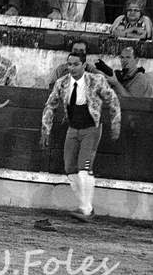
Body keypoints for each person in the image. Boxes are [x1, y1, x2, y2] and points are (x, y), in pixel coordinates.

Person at [40, 51, 121, 221]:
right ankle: (86, 206)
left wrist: (116, 123)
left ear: (84, 65)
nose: (72, 68)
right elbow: (50, 105)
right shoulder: (62, 82)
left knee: (84, 168)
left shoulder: (96, 80)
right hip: (73, 128)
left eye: (76, 64)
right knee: (70, 169)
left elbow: (113, 100)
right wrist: (45, 130)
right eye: (69, 64)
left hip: (91, 129)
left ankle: (85, 209)